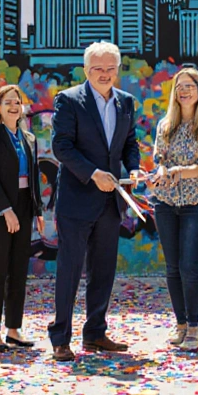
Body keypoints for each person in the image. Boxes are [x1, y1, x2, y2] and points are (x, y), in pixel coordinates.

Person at [48, 41, 140, 362]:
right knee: (70, 270)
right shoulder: (69, 100)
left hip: (111, 203)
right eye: (97, 68)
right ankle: (60, 338)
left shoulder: (126, 103)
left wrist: (136, 168)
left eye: (110, 68)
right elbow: (61, 147)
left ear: (117, 70)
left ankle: (95, 334)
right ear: (86, 70)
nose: (104, 74)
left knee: (103, 272)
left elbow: (129, 143)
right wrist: (93, 173)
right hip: (77, 200)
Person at [149, 67, 198, 352]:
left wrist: (176, 171)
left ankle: (194, 326)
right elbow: (160, 159)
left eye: (190, 85)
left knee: (188, 267)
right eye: (179, 86)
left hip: (195, 206)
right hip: (166, 204)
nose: (184, 90)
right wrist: (161, 171)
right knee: (171, 268)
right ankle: (180, 324)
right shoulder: (166, 125)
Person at [0, 84, 44, 352]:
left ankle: (13, 329)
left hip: (24, 206)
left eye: (17, 102)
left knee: (18, 270)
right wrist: (6, 210)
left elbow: (34, 175)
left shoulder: (29, 138)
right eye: (7, 102)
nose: (14, 106)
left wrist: (37, 210)